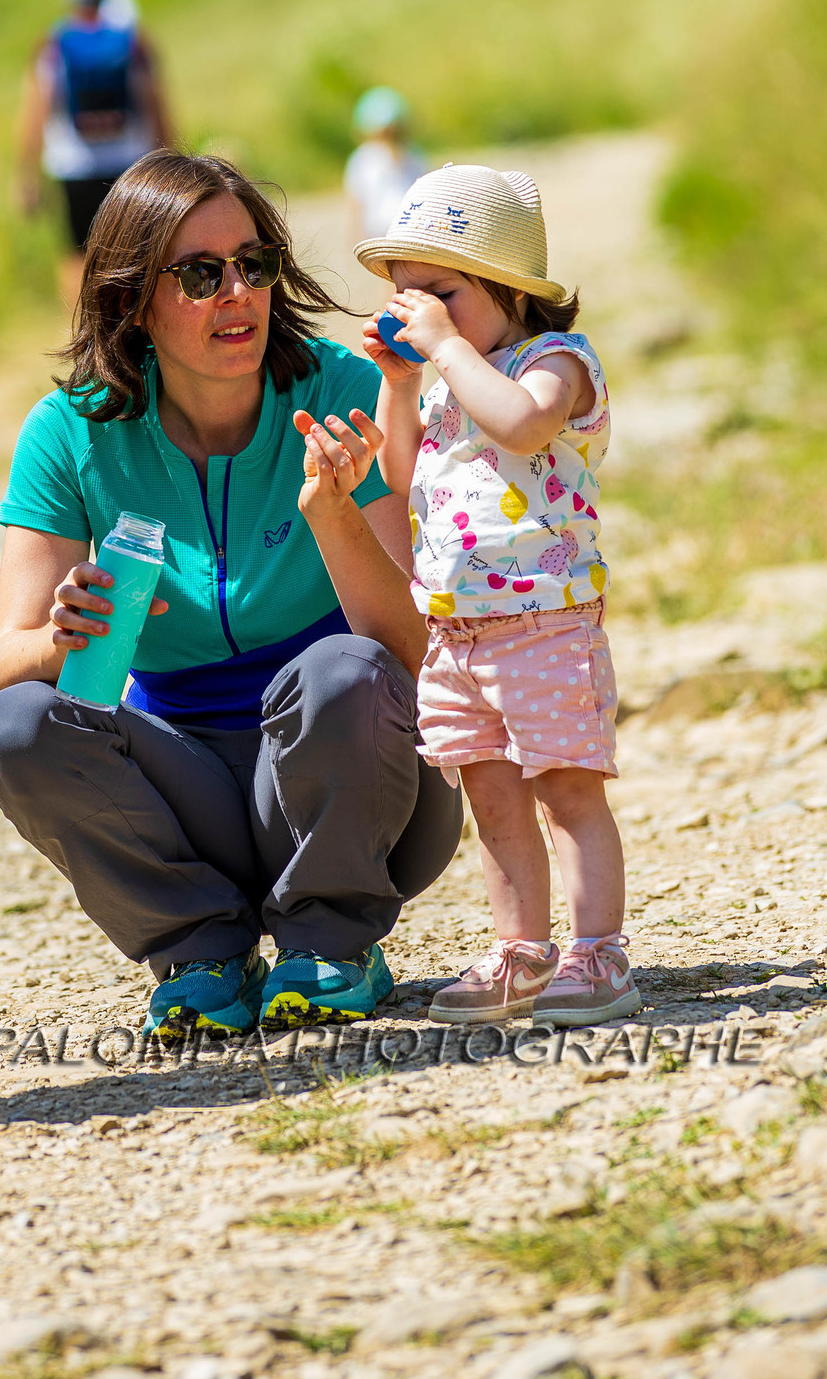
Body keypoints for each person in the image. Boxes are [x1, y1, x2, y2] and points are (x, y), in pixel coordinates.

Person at [0, 150, 465, 1035]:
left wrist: (334, 515)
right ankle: (200, 951)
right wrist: (63, 635)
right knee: (17, 727)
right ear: (132, 299)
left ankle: (333, 941)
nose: (237, 294)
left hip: (364, 787)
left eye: (254, 264)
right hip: (184, 798)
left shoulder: (344, 390)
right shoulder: (68, 431)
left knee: (342, 669)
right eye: (200, 275)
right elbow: (8, 662)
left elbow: (413, 648)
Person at [319, 162, 636, 1027]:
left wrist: (448, 352)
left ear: (510, 290)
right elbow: (400, 474)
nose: (422, 313)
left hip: (545, 624)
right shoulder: (452, 382)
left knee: (566, 790)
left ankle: (599, 953)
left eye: (443, 293)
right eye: (407, 294)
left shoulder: (554, 363)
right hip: (458, 634)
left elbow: (526, 424)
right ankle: (520, 949)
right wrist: (400, 381)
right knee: (493, 800)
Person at [15, 0, 173, 300]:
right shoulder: (132, 42)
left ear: (72, 2)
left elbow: (36, 112)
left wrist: (27, 174)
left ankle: (80, 325)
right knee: (135, 250)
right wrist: (171, 160)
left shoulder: (55, 46)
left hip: (73, 167)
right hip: (128, 163)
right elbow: (155, 103)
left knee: (77, 255)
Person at [343, 86, 422, 241]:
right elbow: (356, 201)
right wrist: (356, 236)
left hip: (409, 229)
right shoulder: (363, 159)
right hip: (377, 232)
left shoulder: (413, 154)